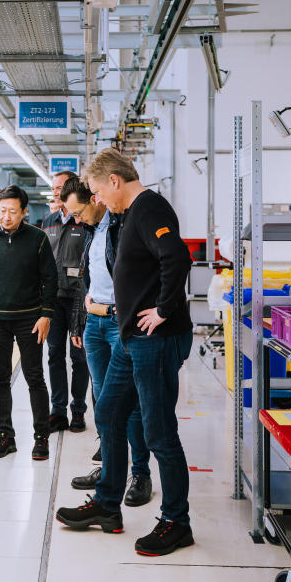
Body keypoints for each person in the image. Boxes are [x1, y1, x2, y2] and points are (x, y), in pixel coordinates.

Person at [55, 148, 194, 557]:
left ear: (114, 180)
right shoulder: (125, 215)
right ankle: (106, 504)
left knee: (158, 432)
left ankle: (176, 522)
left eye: (98, 190)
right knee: (110, 412)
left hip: (155, 341)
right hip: (130, 338)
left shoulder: (149, 208)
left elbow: (177, 257)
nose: (96, 198)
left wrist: (165, 309)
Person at [61, 176, 152, 508]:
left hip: (119, 323)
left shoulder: (123, 226)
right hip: (95, 325)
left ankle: (140, 473)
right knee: (102, 403)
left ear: (96, 199)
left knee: (130, 405)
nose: (76, 219)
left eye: (79, 211)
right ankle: (110, 471)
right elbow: (85, 281)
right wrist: (80, 321)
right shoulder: (91, 231)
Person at [0, 185, 58, 460]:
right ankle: (5, 436)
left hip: (30, 320)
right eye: (2, 210)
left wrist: (46, 315)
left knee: (35, 378)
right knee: (1, 380)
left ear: (24, 212)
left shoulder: (38, 239)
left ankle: (41, 437)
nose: (5, 216)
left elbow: (50, 279)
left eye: (12, 211)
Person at [42, 170, 91, 433]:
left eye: (59, 187)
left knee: (79, 357)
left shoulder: (83, 221)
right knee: (54, 355)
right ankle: (58, 410)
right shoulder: (48, 221)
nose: (55, 192)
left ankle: (79, 410)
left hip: (79, 298)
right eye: (53, 188)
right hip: (53, 299)